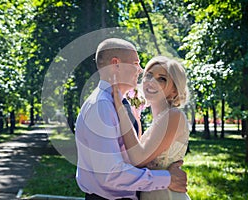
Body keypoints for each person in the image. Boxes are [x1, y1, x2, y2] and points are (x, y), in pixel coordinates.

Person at [75, 38, 187, 200]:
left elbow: (133, 156)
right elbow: (110, 174)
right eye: (136, 64)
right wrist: (167, 179)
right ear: (116, 65)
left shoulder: (118, 104)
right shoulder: (102, 106)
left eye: (161, 78)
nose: (140, 70)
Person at [112, 55, 191, 200]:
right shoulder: (160, 120)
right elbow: (139, 154)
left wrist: (120, 108)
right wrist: (136, 121)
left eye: (162, 79)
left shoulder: (174, 115)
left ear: (174, 90)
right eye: (149, 75)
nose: (152, 81)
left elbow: (137, 159)